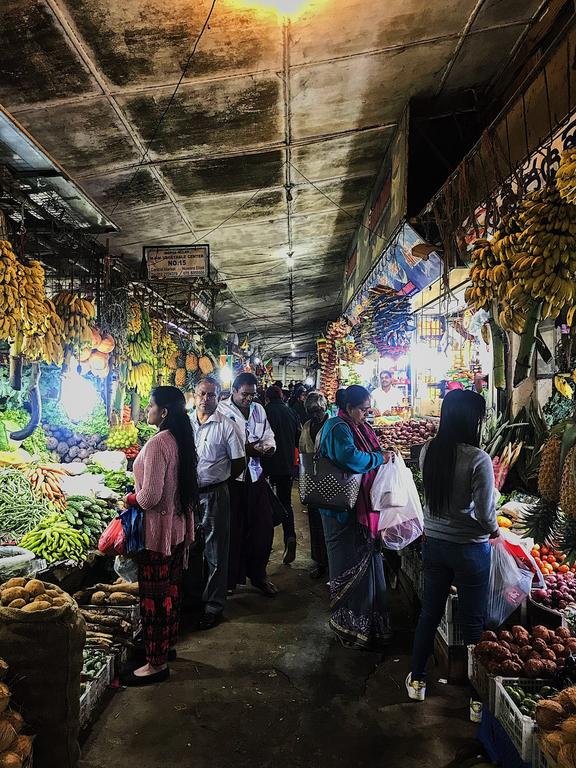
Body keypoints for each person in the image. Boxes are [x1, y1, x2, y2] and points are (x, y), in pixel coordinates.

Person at [407, 389, 498, 703]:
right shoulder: (478, 458)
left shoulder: (428, 450)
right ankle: (477, 698)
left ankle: (417, 679)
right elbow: (486, 515)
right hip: (470, 549)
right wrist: (496, 532)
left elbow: (433, 499)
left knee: (429, 614)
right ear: (472, 420)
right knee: (473, 623)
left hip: (434, 543)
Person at [121, 386, 198, 686]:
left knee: (153, 599)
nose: (147, 410)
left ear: (163, 412)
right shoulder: (182, 439)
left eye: (151, 406)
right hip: (177, 531)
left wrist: (129, 499)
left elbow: (150, 496)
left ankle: (156, 664)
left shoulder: (157, 444)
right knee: (171, 593)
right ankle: (166, 646)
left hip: (157, 535)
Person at [318, 385, 394, 649]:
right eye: (362, 410)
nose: (366, 414)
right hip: (341, 510)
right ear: (349, 408)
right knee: (347, 562)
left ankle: (370, 623)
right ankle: (350, 624)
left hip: (356, 508)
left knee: (366, 560)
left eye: (367, 409)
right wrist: (378, 458)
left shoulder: (355, 425)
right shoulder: (338, 427)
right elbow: (350, 458)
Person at [191, 377, 246, 629]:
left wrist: (218, 480)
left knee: (215, 551)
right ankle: (192, 600)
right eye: (202, 394)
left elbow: (238, 463)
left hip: (215, 494)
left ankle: (213, 605)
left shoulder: (227, 426)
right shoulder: (186, 425)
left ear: (219, 397)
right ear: (194, 395)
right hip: (190, 495)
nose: (205, 399)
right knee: (191, 548)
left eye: (211, 395)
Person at [218, 372, 278, 596]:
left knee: (262, 528)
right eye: (245, 394)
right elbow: (221, 444)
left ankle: (259, 575)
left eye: (252, 395)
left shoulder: (258, 409)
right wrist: (248, 449)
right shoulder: (222, 411)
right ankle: (229, 580)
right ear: (233, 391)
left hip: (255, 475)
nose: (249, 399)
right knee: (233, 530)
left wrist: (269, 447)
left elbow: (268, 434)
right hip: (232, 478)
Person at [262, 385, 300, 564]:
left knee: (265, 506)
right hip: (286, 465)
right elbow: (298, 437)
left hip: (266, 466)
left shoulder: (263, 412)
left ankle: (266, 545)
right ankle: (289, 537)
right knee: (285, 503)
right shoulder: (290, 412)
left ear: (267, 398)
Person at [299, 391, 329, 579]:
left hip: (331, 482)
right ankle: (319, 562)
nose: (315, 414)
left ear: (325, 407)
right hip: (312, 482)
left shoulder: (333, 425)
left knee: (330, 526)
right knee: (315, 525)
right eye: (311, 411)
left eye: (317, 410)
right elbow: (303, 450)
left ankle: (332, 563)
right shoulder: (307, 426)